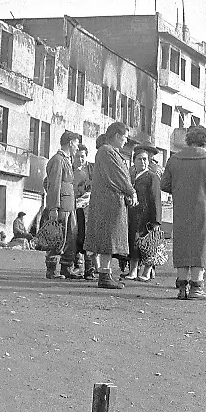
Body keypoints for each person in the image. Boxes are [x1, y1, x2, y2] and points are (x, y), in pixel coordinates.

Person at [161, 124, 206, 300]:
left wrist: (179, 190)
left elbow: (164, 184)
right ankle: (196, 288)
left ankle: (182, 287)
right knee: (201, 246)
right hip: (203, 209)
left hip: (181, 209)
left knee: (182, 245)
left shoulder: (174, 159)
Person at [85, 121, 137, 290]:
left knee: (109, 239)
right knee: (108, 238)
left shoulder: (109, 152)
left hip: (111, 201)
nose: (125, 141)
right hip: (108, 202)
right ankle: (104, 275)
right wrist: (131, 191)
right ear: (116, 135)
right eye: (124, 137)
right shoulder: (107, 151)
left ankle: (106, 273)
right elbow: (119, 176)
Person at [43, 130, 80, 280]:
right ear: (70, 143)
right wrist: (53, 207)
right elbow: (53, 184)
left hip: (69, 205)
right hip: (61, 206)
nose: (77, 148)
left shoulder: (67, 160)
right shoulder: (58, 160)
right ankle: (51, 270)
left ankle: (66, 268)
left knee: (70, 238)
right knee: (57, 237)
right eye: (76, 144)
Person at [126, 146, 163, 282]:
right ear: (134, 161)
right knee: (134, 244)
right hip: (133, 215)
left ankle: (147, 271)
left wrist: (156, 221)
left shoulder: (152, 177)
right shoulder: (131, 177)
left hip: (147, 217)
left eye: (145, 159)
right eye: (140, 159)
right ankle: (133, 270)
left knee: (149, 244)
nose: (143, 162)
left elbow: (156, 200)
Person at [72, 143, 93, 278]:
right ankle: (77, 265)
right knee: (75, 236)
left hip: (89, 208)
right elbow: (47, 182)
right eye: (78, 156)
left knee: (88, 236)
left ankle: (89, 268)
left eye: (83, 156)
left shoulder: (92, 169)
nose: (80, 159)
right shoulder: (69, 168)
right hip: (73, 207)